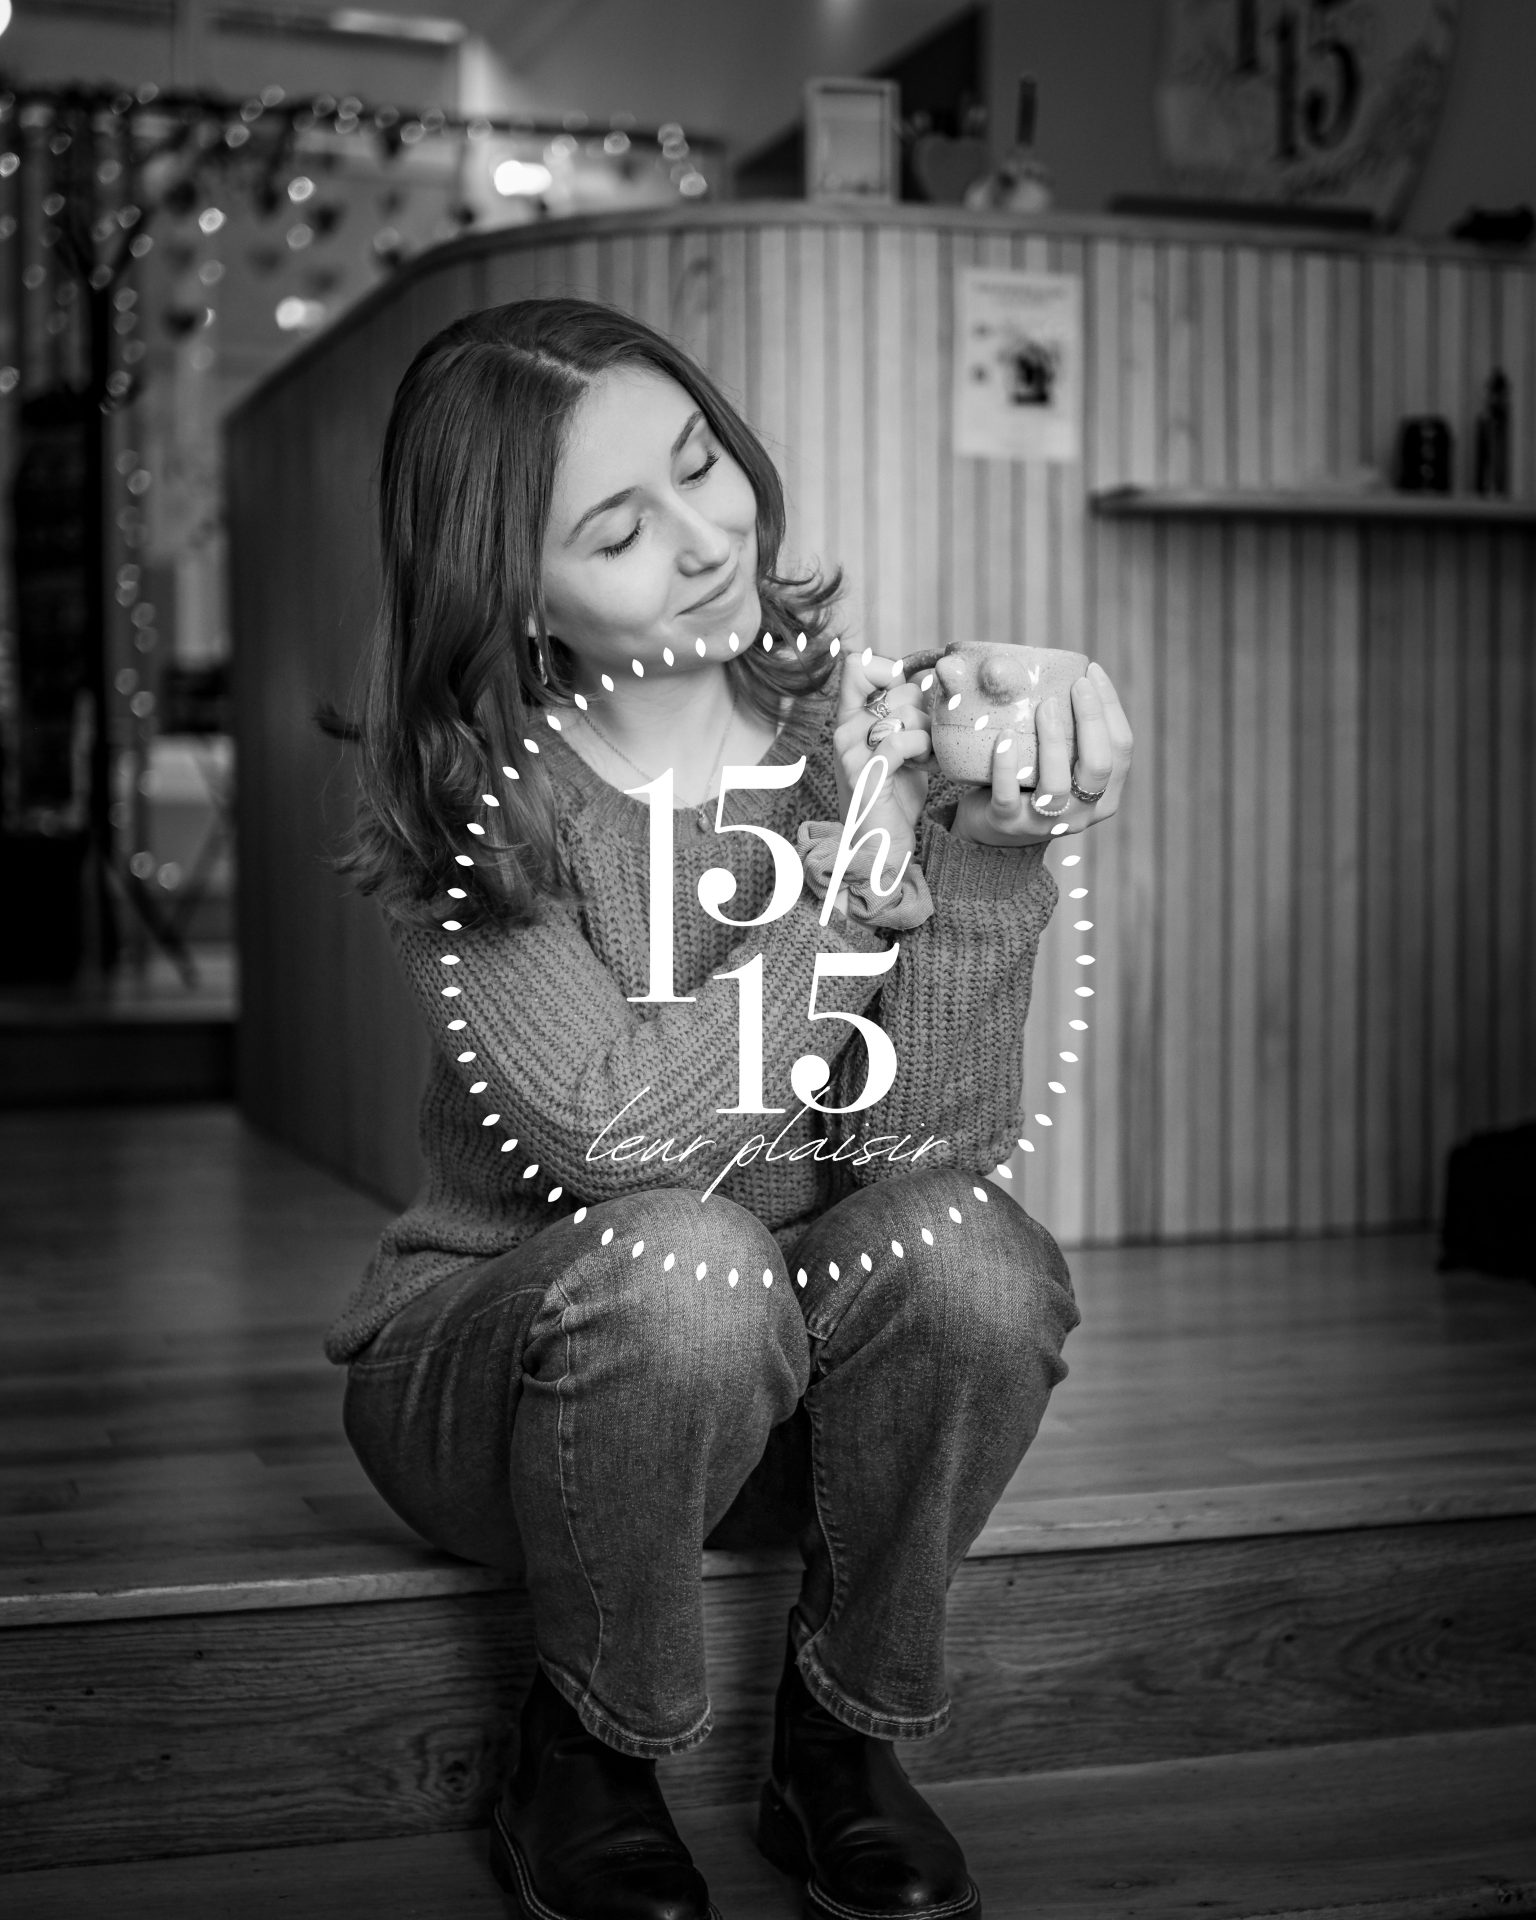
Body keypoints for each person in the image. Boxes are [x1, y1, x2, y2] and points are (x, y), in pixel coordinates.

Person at [320, 297, 1133, 1920]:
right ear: (514, 595)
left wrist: (981, 836)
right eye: (620, 528)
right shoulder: (481, 809)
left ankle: (843, 1742)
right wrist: (847, 892)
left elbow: (934, 1148)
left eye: (704, 466)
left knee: (973, 1255)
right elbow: (620, 1145)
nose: (705, 543)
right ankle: (589, 1747)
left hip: (771, 1396)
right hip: (508, 1386)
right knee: (686, 1260)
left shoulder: (859, 739)